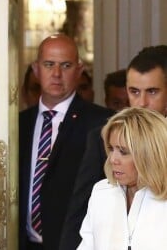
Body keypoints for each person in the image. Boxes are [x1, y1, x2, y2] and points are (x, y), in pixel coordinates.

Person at [59, 45, 167, 250]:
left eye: (152, 91)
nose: (142, 103)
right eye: (134, 91)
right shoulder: (102, 193)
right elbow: (78, 220)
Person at [19, 33, 114, 250]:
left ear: (79, 71)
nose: (56, 74)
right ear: (36, 69)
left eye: (66, 65)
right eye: (49, 64)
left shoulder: (102, 123)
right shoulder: (17, 125)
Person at [78, 107, 167, 249]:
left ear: (150, 154)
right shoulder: (101, 192)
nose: (113, 159)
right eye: (111, 149)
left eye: (123, 152)